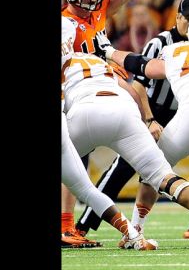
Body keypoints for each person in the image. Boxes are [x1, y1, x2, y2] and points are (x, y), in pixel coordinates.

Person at [75, 0, 189, 240]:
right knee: (124, 167)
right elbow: (139, 86)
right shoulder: (161, 43)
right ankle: (84, 224)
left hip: (187, 112)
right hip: (155, 108)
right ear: (178, 18)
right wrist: (149, 120)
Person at [61, 0, 170, 245]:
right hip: (73, 91)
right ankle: (67, 226)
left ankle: (72, 226)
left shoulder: (96, 13)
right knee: (70, 161)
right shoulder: (66, 23)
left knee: (76, 161)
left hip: (99, 90)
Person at [61, 16, 156, 250]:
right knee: (85, 188)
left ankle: (130, 235)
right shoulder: (83, 57)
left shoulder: (72, 59)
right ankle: (133, 235)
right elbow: (131, 91)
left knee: (84, 187)